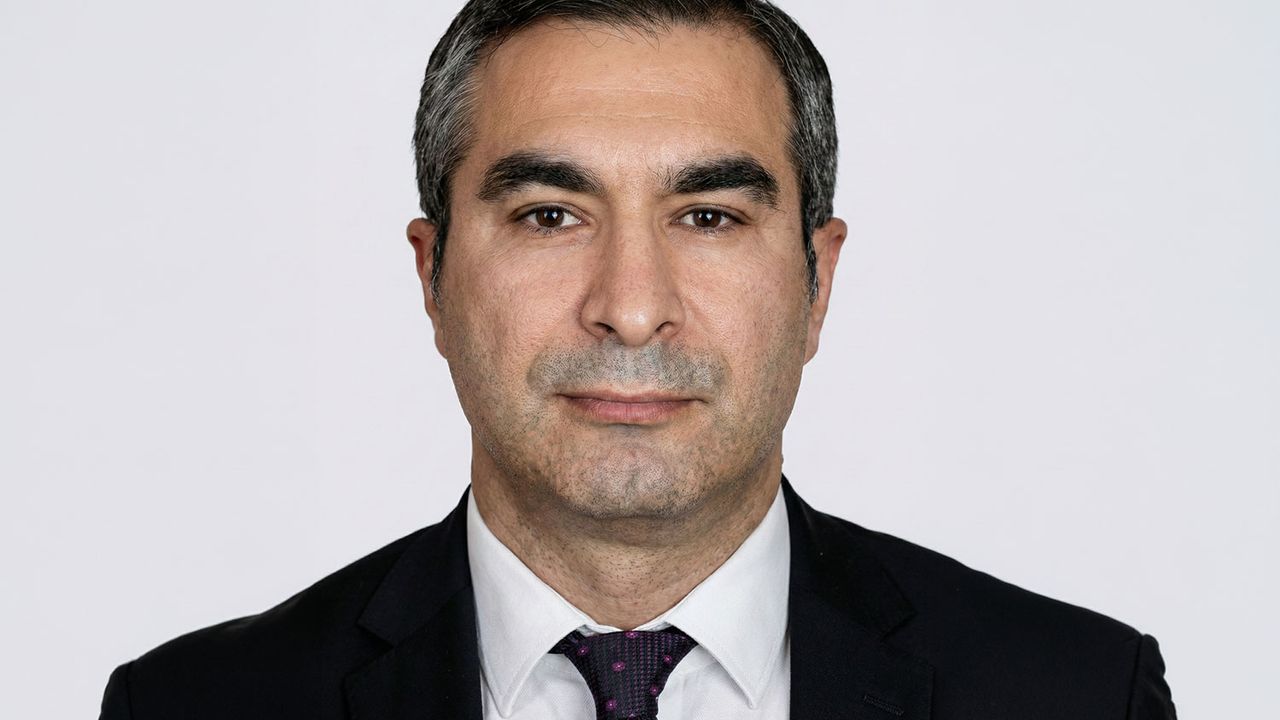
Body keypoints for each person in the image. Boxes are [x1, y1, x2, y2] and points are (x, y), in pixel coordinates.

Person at [99, 1, 1176, 718]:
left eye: (708, 217)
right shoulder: (197, 706)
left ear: (817, 284)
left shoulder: (1079, 696)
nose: (629, 308)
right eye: (549, 215)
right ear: (433, 277)